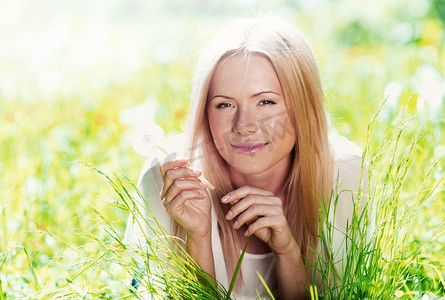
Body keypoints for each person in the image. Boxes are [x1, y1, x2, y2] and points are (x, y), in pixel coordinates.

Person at [124, 16, 373, 299]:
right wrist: (199, 238)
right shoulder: (167, 180)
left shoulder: (346, 177)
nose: (244, 125)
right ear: (205, 112)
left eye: (266, 102)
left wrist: (288, 251)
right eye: (225, 104)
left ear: (303, 105)